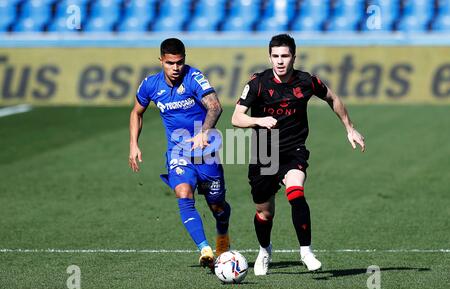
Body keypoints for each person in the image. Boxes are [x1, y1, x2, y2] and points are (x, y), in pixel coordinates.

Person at [231, 34, 365, 276]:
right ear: (269, 57)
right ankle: (264, 250)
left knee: (296, 191)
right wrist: (259, 120)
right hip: (264, 151)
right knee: (264, 212)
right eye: (275, 56)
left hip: (294, 149)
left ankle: (306, 251)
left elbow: (332, 98)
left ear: (294, 56)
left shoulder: (307, 81)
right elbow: (236, 117)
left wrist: (349, 127)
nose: (280, 61)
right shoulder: (258, 83)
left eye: (285, 56)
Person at [129, 38, 231, 270]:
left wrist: (204, 133)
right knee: (183, 192)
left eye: (180, 62)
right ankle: (205, 249)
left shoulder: (194, 78)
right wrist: (133, 144)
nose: (175, 68)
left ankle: (222, 235)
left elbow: (215, 106)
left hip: (206, 152)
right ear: (161, 60)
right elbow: (136, 112)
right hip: (178, 152)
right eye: (170, 63)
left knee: (217, 206)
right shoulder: (150, 85)